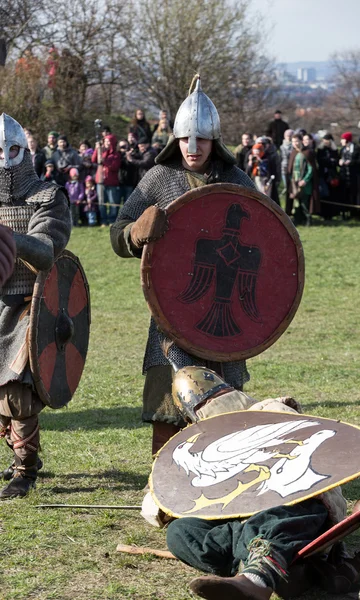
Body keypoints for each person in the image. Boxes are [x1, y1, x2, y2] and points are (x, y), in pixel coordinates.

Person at [110, 76, 256, 455]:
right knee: (169, 405)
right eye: (186, 139)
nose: (193, 148)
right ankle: (165, 487)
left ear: (215, 140)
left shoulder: (237, 181)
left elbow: (267, 239)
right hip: (172, 310)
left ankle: (223, 482)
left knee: (225, 406)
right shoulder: (160, 178)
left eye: (201, 139)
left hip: (226, 314)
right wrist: (137, 234)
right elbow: (118, 234)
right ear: (175, 139)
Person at [161, 359, 346, 600]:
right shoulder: (199, 444)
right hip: (246, 518)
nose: (212, 406)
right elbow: (161, 500)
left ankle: (257, 580)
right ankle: (280, 567)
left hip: (298, 503)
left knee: (274, 516)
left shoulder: (271, 410)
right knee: (181, 531)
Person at [0, 113, 71, 499]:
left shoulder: (47, 197)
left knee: (18, 396)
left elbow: (46, 250)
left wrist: (8, 238)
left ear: (25, 153)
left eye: (12, 150)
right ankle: (14, 456)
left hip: (30, 307)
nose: (5, 159)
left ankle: (25, 469)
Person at [91, 133, 121, 226]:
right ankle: (103, 220)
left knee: (112, 202)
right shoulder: (101, 151)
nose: (107, 143)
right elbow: (93, 160)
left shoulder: (116, 154)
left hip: (111, 182)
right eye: (106, 141)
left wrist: (105, 161)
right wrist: (97, 149)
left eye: (109, 141)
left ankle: (112, 220)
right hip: (100, 181)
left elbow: (115, 167)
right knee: (101, 202)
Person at [285, 133, 315, 225]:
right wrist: (291, 179)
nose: (295, 143)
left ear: (301, 141)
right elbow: (290, 168)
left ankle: (308, 219)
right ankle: (298, 219)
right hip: (294, 181)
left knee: (304, 202)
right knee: (296, 201)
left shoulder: (307, 152)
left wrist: (305, 180)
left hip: (304, 182)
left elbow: (311, 168)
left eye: (297, 141)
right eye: (293, 142)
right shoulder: (293, 153)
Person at [339, 132, 360, 220]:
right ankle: (347, 213)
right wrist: (340, 162)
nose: (341, 141)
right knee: (347, 194)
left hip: (355, 175)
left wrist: (351, 162)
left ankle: (357, 214)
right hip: (345, 176)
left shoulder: (357, 148)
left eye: (342, 139)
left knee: (356, 194)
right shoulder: (342, 150)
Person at [317, 134, 341, 220]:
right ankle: (323, 214)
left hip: (332, 175)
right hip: (323, 175)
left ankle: (332, 213)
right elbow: (321, 161)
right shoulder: (320, 150)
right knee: (324, 194)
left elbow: (336, 161)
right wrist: (330, 161)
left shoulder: (334, 150)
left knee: (332, 194)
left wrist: (331, 161)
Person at [118, 139, 139, 204]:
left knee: (127, 203)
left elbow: (133, 164)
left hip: (129, 182)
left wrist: (129, 156)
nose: (124, 148)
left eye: (125, 146)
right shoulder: (117, 155)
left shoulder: (133, 154)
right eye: (122, 147)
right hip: (119, 183)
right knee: (116, 202)